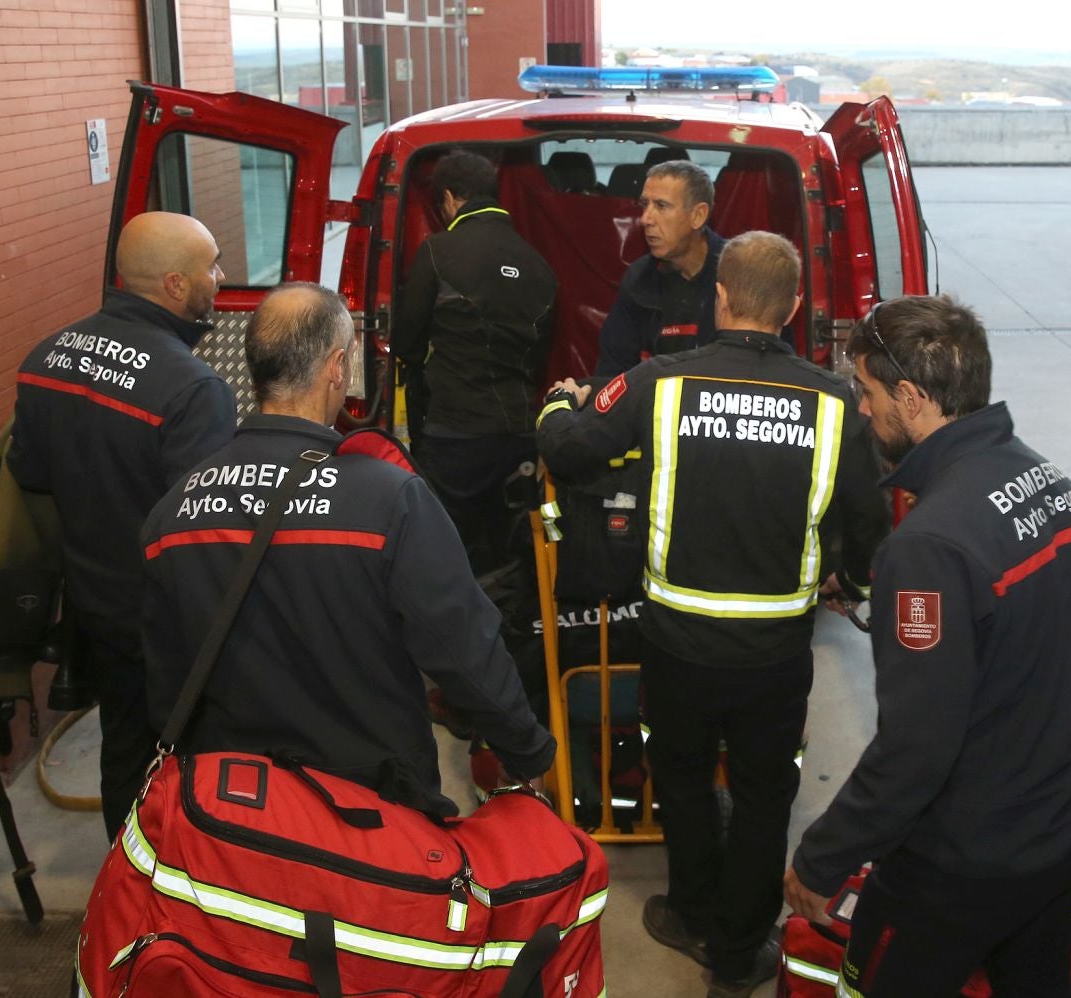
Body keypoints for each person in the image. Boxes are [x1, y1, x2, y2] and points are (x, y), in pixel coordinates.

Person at [538, 232, 888, 998]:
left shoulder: (659, 381)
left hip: (677, 641)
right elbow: (869, 520)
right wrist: (849, 579)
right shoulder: (834, 403)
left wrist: (559, 404)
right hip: (776, 651)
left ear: (720, 298)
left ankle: (690, 910)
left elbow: (570, 450)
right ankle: (739, 947)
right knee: (767, 791)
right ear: (793, 307)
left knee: (684, 777)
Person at [784, 295, 1071, 997]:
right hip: (1060, 821)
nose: (862, 410)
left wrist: (821, 856)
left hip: (965, 863)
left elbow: (915, 748)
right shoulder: (1050, 483)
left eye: (867, 393)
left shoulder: (927, 549)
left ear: (911, 396)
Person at [139, 282, 554, 815]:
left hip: (232, 812)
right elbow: (462, 650)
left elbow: (163, 678)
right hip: (369, 816)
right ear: (337, 368)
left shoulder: (173, 510)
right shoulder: (390, 500)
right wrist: (526, 749)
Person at [9, 210, 237, 840]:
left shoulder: (46, 357)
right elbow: (207, 534)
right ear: (174, 285)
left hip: (96, 607)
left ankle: (126, 885)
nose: (220, 278)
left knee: (126, 753)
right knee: (197, 766)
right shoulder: (192, 389)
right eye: (210, 266)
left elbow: (29, 474)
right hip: (171, 621)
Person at [391, 151, 558, 572]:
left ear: (449, 199)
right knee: (510, 550)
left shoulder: (438, 251)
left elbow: (406, 344)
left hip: (455, 435)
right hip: (520, 434)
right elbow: (538, 353)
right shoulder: (540, 265)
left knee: (447, 551)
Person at [592, 159, 729, 378]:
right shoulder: (638, 279)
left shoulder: (740, 274)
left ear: (698, 215)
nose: (645, 219)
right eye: (644, 204)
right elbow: (612, 371)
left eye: (661, 206)